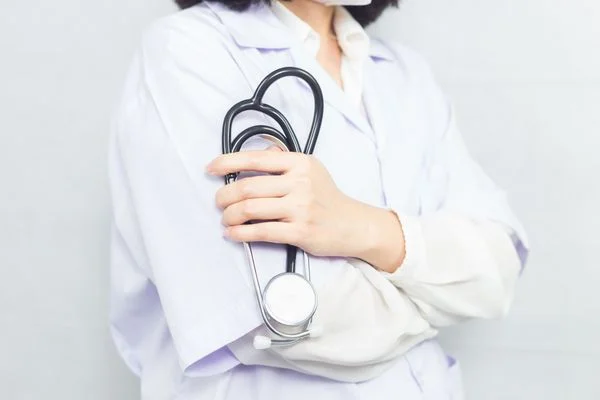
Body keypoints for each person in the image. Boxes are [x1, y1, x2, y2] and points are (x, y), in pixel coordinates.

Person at [108, 0, 529, 398]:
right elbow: (277, 319)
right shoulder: (187, 51)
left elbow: (499, 267)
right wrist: (436, 292)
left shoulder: (405, 74)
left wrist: (361, 227)